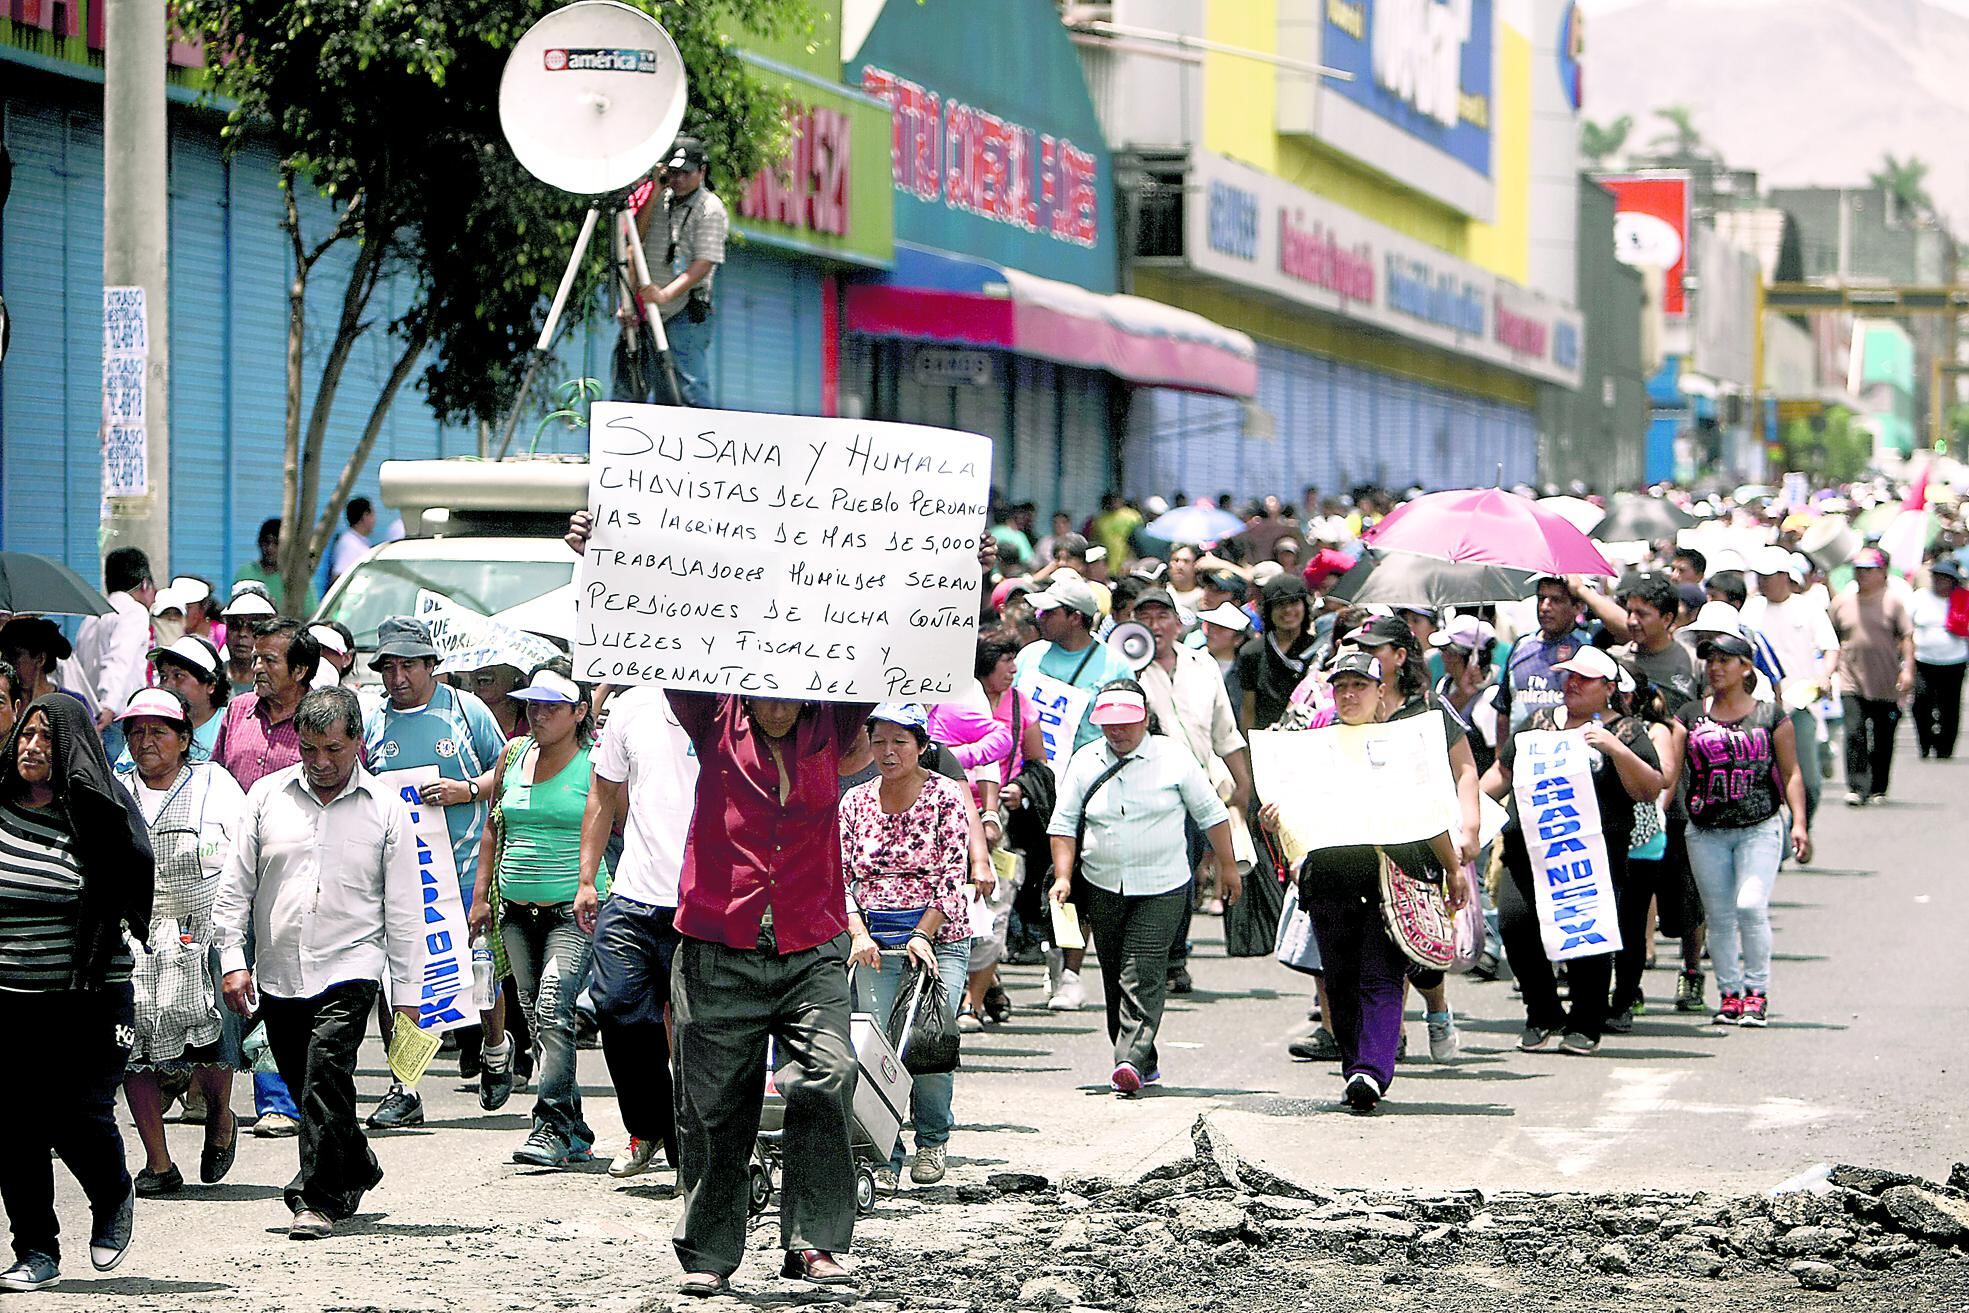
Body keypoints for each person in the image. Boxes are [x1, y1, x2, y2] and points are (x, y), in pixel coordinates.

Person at [665, 692, 868, 1297]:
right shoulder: (713, 717)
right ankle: (709, 1250)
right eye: (764, 696)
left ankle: (814, 1241)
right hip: (720, 942)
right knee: (716, 1104)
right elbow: (671, 655)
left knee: (830, 1073)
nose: (776, 708)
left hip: (810, 943)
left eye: (790, 698)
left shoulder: (833, 722)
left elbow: (883, 649)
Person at [215, 687, 423, 1240]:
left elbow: (404, 911)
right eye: (309, 749)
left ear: (358, 741)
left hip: (351, 967)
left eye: (333, 749)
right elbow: (235, 888)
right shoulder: (265, 797)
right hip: (280, 971)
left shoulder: (385, 811)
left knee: (324, 1072)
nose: (321, 762)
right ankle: (354, 1160)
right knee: (306, 1080)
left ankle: (317, 1199)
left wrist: (407, 996)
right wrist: (234, 960)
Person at [1260, 652, 1462, 1113]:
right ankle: (1356, 1069)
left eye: (1360, 686)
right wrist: (1274, 822)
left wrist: (1452, 867)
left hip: (1391, 876)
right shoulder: (1314, 748)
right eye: (1341, 687)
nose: (1349, 695)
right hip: (1329, 878)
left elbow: (1429, 812)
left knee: (1380, 976)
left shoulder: (1402, 743)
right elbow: (1287, 811)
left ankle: (1372, 1070)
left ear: (1379, 691)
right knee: (1340, 980)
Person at [0, 696, 150, 1289]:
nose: (31, 747)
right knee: (12, 1123)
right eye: (25, 736)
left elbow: (133, 875)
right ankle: (35, 1249)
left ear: (71, 747)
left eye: (45, 737)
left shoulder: (97, 810)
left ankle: (113, 1194)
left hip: (89, 994)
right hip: (8, 996)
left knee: (74, 1113)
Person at [1049, 681, 1237, 1096]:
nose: (1118, 732)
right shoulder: (1085, 761)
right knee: (1115, 972)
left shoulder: (1173, 758)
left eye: (1127, 723)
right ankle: (1141, 1058)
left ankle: (1128, 1059)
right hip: (1102, 883)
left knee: (1142, 970)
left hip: (1162, 884)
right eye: (1109, 724)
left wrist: (1229, 867)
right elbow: (1063, 825)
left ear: (1146, 720)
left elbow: (1211, 814)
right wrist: (1064, 876)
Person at [362, 617, 507, 1126]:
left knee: (478, 973)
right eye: (389, 667)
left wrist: (464, 790)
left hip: (467, 869)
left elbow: (507, 771)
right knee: (399, 981)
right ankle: (406, 1087)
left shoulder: (466, 712)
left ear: (431, 666)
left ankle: (494, 1049)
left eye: (409, 665)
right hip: (401, 875)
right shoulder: (373, 719)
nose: (398, 676)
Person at [1483, 647, 1663, 1055]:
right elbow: (1503, 772)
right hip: (1528, 850)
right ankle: (1542, 1012)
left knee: (1586, 934)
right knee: (1515, 924)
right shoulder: (1540, 723)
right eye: (1569, 676)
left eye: (1585, 678)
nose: (1573, 684)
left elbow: (1650, 788)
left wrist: (1613, 749)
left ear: (1609, 688)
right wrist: (1468, 805)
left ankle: (1585, 1021)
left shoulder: (1627, 730)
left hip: (1589, 858)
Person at [112, 688, 247, 1196]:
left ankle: (219, 1117)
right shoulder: (113, 786)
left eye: (159, 731)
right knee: (132, 1049)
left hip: (201, 930)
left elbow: (240, 859)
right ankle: (159, 1161)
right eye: (137, 731)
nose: (147, 741)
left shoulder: (215, 784)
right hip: (134, 935)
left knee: (209, 1044)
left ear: (185, 738)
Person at [469, 663, 604, 1166]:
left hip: (573, 911)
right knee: (537, 1015)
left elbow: (623, 822)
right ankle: (573, 1129)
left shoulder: (594, 764)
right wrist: (481, 898)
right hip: (514, 911)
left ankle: (548, 1126)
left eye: (552, 706)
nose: (539, 714)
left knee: (551, 1008)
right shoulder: (514, 753)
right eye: (533, 704)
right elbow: (493, 827)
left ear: (579, 712)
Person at [841, 704, 979, 1184]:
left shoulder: (945, 797)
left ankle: (933, 1142)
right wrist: (857, 932)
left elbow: (951, 874)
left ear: (921, 746)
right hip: (874, 940)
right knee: (876, 1048)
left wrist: (923, 933)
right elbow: (839, 876)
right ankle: (882, 1149)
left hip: (939, 935)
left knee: (926, 1041)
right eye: (879, 741)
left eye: (900, 742)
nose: (888, 752)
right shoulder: (855, 802)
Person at [577, 683, 699, 1182]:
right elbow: (603, 794)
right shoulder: (631, 706)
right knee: (615, 1007)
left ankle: (696, 1153)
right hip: (633, 894)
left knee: (700, 1032)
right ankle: (649, 1126)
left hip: (704, 901)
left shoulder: (732, 704)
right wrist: (587, 878)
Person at [210, 617, 320, 1139]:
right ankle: (241, 1096)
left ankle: (290, 1097)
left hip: (297, 874)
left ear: (300, 670)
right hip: (236, 868)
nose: (255, 667)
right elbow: (214, 778)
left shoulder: (324, 720)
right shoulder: (235, 713)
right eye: (254, 658)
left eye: (269, 659)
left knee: (285, 986)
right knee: (236, 982)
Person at [1669, 626, 1812, 1026]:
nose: (1714, 668)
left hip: (1759, 825)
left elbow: (1792, 773)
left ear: (1746, 667)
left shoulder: (1770, 716)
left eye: (1724, 660)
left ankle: (1757, 991)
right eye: (1710, 660)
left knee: (1749, 905)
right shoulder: (1691, 716)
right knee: (1718, 915)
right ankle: (1729, 994)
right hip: (1706, 829)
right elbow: (1671, 771)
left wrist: (1799, 824)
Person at [1012, 574, 1131, 1012]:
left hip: (1085, 785)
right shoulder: (1029, 657)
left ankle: (1071, 969)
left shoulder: (1114, 666)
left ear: (1075, 618)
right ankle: (1048, 950)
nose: (1039, 617)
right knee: (1028, 877)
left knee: (1072, 881)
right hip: (1030, 785)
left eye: (1050, 611)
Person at [1133, 587, 1252, 991]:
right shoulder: (1125, 667)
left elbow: (1225, 732)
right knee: (1149, 873)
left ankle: (1174, 957)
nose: (1154, 626)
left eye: (1161, 617)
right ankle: (1147, 953)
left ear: (1178, 622)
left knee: (1184, 874)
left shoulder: (1203, 666)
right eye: (1145, 617)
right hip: (1143, 786)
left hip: (1196, 786)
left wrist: (1243, 783)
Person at [626, 136, 728, 408]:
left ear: (702, 172)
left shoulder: (710, 208)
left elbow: (703, 263)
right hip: (650, 311)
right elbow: (635, 237)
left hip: (685, 309)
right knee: (655, 391)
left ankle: (702, 446)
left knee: (688, 389)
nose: (679, 179)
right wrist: (655, 191)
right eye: (673, 172)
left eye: (686, 173)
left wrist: (664, 294)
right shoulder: (660, 198)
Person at [1742, 548, 1836, 819]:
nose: (1763, 582)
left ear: (1785, 576)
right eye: (1759, 576)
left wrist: (1825, 676)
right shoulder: (1751, 611)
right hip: (1760, 707)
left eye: (1769, 576)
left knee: (1809, 781)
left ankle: (1802, 824)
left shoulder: (1807, 608)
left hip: (1801, 704)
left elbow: (1830, 647)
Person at [1828, 548, 1914, 804]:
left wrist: (1908, 669)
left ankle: (1878, 787)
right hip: (1851, 678)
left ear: (1882, 572)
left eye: (1868, 570)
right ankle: (1857, 786)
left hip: (1885, 681)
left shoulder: (1893, 602)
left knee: (1883, 735)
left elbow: (1906, 638)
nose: (1862, 575)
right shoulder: (1842, 602)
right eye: (1858, 570)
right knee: (1854, 731)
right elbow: (1830, 635)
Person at [75, 546, 156, 733]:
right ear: (144, 584)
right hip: (117, 717)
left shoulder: (92, 616)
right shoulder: (134, 612)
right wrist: (109, 705)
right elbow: (119, 659)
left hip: (90, 712)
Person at [116, 635, 227, 767]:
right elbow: (124, 769)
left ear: (210, 685)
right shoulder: (150, 721)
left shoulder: (229, 722)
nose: (167, 685)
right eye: (163, 676)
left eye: (178, 676)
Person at [1235, 574, 1318, 731]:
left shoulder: (1318, 648)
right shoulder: (1251, 652)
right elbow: (1248, 709)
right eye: (1279, 604)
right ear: (1268, 610)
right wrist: (1249, 750)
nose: (1288, 610)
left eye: (1294, 602)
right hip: (1266, 739)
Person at [1909, 559, 1966, 760]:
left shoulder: (1962, 599)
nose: (1939, 582)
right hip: (1923, 660)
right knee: (1921, 704)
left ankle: (1945, 747)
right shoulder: (1919, 598)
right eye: (1937, 577)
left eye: (1944, 578)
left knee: (1949, 707)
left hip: (1954, 661)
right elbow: (1906, 626)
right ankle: (1925, 743)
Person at [233, 518, 318, 617]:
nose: (270, 548)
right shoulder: (246, 573)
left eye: (276, 543)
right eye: (266, 542)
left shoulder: (296, 579)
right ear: (259, 543)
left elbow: (310, 615)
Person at [0, 618, 86, 709]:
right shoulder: (4, 704)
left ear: (40, 659)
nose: (6, 663)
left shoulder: (73, 705)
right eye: (3, 656)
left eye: (14, 656)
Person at [220, 586, 278, 696]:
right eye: (235, 625)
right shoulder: (211, 677)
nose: (242, 634)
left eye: (252, 627)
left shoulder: (279, 684)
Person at [328, 496, 376, 584]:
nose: (374, 520)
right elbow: (338, 576)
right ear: (365, 516)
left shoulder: (361, 542)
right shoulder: (349, 543)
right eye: (372, 514)